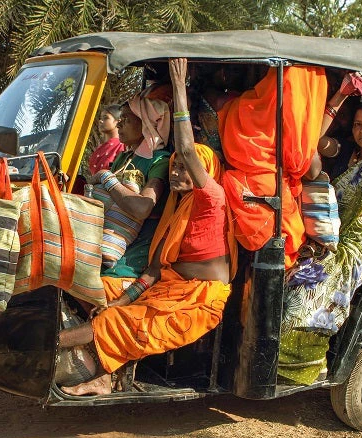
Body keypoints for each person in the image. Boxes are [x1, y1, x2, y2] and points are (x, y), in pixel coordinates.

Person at [58, 58, 234, 396]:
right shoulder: (173, 210)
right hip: (165, 290)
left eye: (186, 169)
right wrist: (120, 301)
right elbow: (153, 271)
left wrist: (179, 88)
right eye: (174, 168)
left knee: (112, 322)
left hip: (197, 300)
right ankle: (103, 372)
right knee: (99, 297)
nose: (177, 173)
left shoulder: (212, 198)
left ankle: (53, 348)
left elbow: (185, 147)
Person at [277, 72, 362, 385]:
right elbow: (309, 141)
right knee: (286, 281)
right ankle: (285, 363)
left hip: (358, 243)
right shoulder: (344, 154)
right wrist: (339, 96)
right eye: (358, 124)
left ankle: (309, 366)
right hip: (326, 235)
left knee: (308, 292)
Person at [90, 88, 172, 299]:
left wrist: (106, 178)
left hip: (128, 263)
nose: (119, 125)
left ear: (145, 123)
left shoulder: (159, 160)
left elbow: (142, 207)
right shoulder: (124, 158)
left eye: (125, 119)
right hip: (103, 252)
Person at [88, 105, 125, 175]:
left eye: (106, 118)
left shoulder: (122, 147)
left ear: (118, 121)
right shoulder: (101, 148)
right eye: (101, 118)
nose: (101, 121)